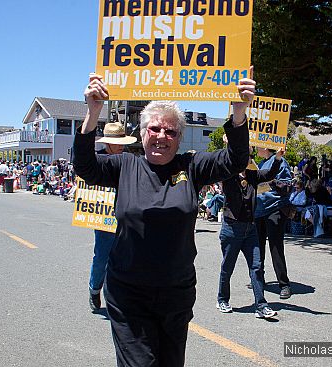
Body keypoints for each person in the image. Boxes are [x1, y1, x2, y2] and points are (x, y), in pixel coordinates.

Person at [73, 71, 253, 367]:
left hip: (175, 292)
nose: (161, 136)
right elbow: (85, 166)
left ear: (179, 138)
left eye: (170, 132)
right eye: (154, 129)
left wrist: (238, 113)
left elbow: (235, 159)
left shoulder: (192, 166)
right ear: (142, 133)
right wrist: (93, 113)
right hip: (129, 291)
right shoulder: (124, 166)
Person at [216, 147, 284, 319]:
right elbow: (224, 162)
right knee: (227, 267)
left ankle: (261, 305)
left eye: (249, 156)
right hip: (231, 229)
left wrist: (277, 158)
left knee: (257, 266)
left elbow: (269, 174)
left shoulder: (252, 176)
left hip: (250, 228)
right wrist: (228, 146)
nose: (247, 159)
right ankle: (222, 299)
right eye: (244, 156)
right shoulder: (229, 175)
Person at [88, 122, 137, 312]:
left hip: (126, 214)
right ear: (107, 142)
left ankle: (117, 296)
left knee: (125, 258)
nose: (122, 145)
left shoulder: (129, 159)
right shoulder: (96, 159)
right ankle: (94, 289)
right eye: (118, 142)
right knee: (102, 256)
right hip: (104, 214)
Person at [254, 146, 293, 300]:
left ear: (265, 147)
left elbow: (287, 186)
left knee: (276, 247)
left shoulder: (280, 161)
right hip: (259, 209)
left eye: (258, 146)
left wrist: (272, 181)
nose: (256, 148)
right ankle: (259, 279)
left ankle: (284, 284)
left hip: (274, 208)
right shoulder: (261, 163)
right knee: (258, 246)